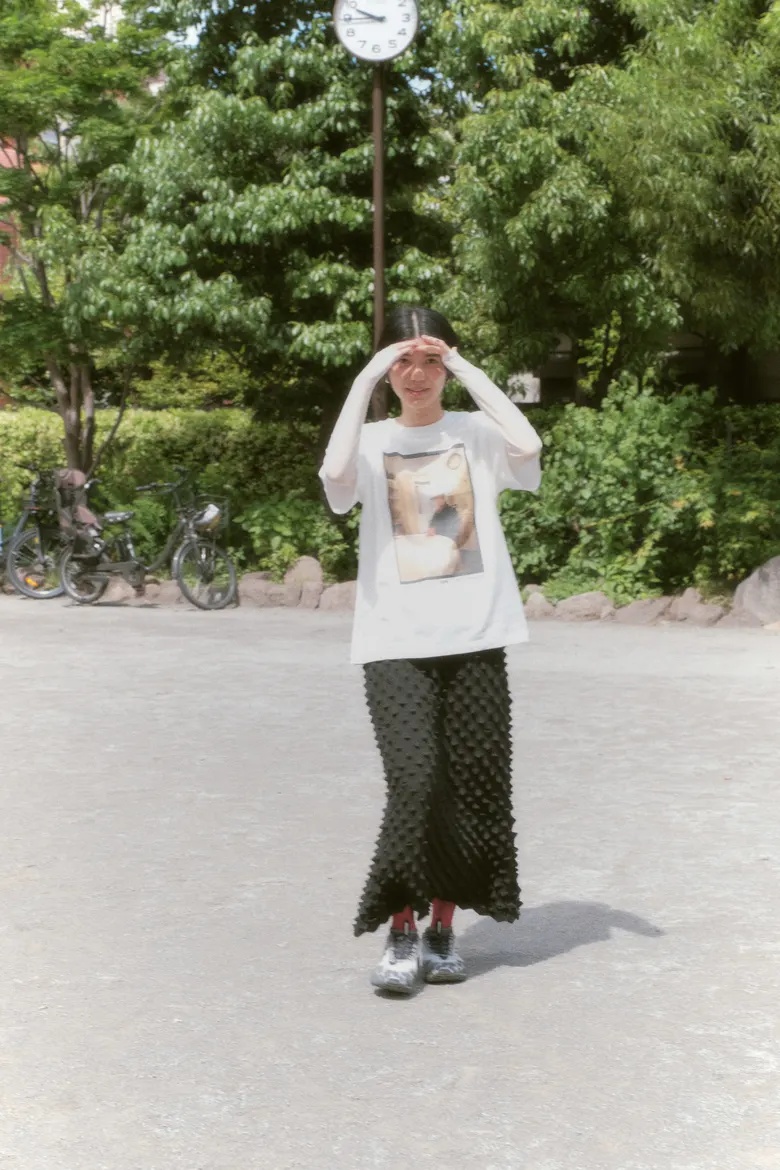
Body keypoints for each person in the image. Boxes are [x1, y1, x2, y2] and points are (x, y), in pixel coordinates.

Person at [318, 305, 543, 994]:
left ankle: (442, 929)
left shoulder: (475, 433)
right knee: (415, 781)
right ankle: (400, 930)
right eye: (403, 361)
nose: (417, 375)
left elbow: (528, 445)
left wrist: (466, 365)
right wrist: (364, 378)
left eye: (430, 361)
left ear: (445, 365)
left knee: (473, 786)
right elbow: (333, 477)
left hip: (476, 635)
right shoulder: (370, 441)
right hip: (393, 639)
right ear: (388, 369)